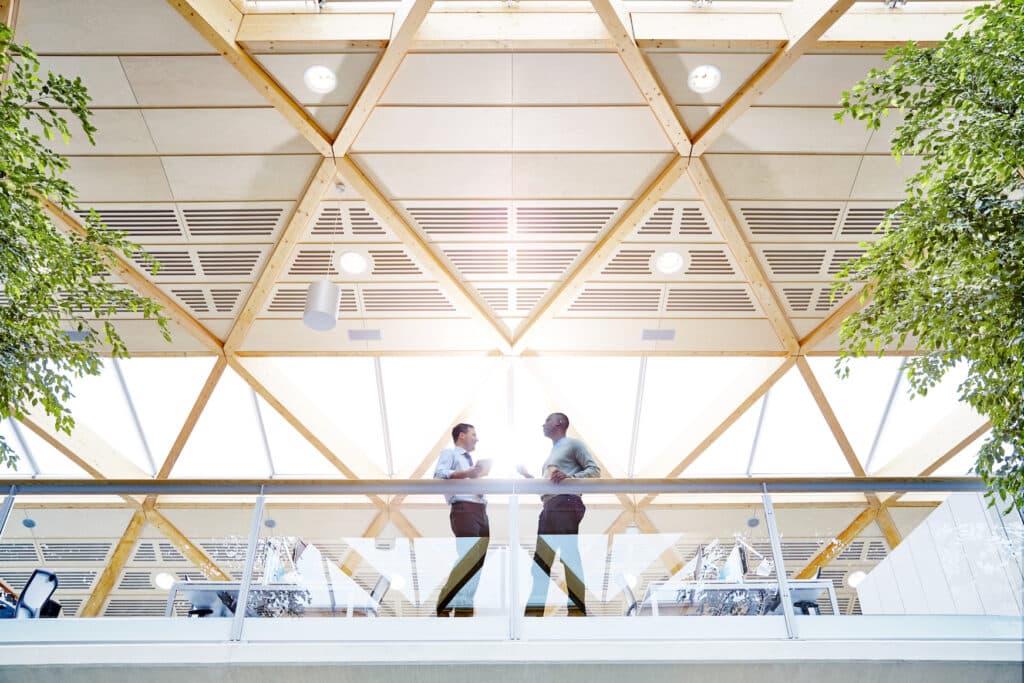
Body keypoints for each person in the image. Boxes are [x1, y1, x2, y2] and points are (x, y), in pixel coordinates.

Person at [518, 412, 600, 616]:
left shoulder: (574, 445)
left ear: (559, 423)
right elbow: (548, 485)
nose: (543, 424)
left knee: (569, 556)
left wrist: (570, 477)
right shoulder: (550, 456)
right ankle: (533, 615)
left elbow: (595, 471)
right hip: (549, 507)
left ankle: (576, 611)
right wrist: (528, 477)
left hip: (566, 503)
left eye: (546, 420)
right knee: (540, 563)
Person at [433, 423, 489, 616]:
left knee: (478, 561)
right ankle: (445, 602)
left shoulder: (470, 461)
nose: (477, 438)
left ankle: (464, 606)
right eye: (474, 434)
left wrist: (478, 482)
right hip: (464, 509)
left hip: (481, 510)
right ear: (462, 435)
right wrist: (468, 473)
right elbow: (439, 474)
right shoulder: (451, 454)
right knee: (468, 557)